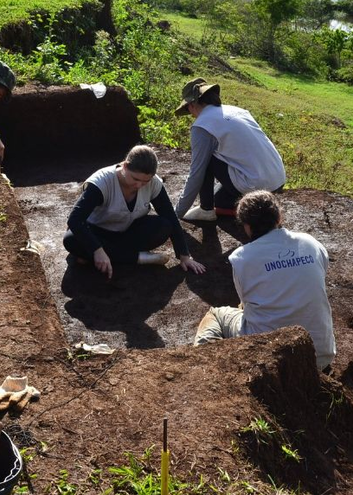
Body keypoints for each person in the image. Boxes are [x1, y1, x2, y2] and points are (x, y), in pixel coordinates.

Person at [192, 191, 336, 371]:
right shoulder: (311, 243)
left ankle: (205, 370)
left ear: (246, 226)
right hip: (320, 357)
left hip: (270, 361)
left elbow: (245, 304)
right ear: (279, 217)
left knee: (217, 314)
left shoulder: (241, 258)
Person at [64, 145, 207, 280]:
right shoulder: (102, 182)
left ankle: (103, 255)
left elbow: (169, 215)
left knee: (164, 225)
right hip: (98, 232)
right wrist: (97, 249)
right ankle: (139, 258)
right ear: (125, 166)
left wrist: (184, 255)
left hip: (128, 233)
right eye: (135, 179)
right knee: (71, 240)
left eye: (145, 181)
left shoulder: (154, 182)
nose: (139, 185)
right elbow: (74, 220)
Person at [173, 78, 286, 223]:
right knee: (218, 200)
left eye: (188, 109)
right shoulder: (238, 111)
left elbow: (197, 172)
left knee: (205, 160)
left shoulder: (202, 126)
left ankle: (206, 210)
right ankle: (246, 207)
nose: (191, 114)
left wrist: (177, 213)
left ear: (192, 104)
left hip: (255, 185)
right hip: (277, 180)